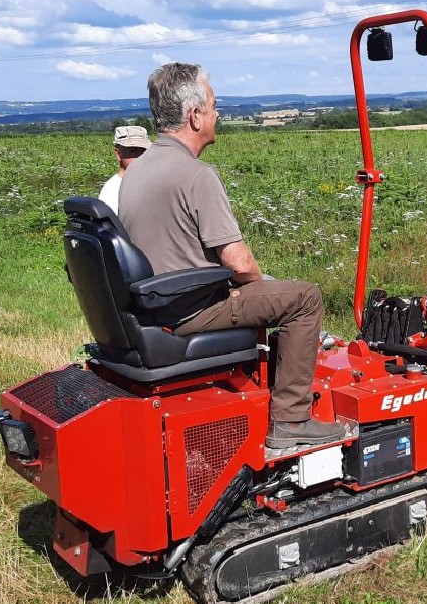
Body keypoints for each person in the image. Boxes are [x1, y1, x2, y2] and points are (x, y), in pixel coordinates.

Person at [118, 62, 344, 449]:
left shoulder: (138, 169)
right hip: (191, 308)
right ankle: (291, 420)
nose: (218, 114)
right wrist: (260, 285)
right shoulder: (196, 175)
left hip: (156, 304)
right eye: (213, 105)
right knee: (304, 298)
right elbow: (241, 265)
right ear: (194, 116)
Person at [98, 125, 151, 214]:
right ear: (118, 154)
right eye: (133, 151)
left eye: (143, 151)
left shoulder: (149, 182)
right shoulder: (112, 191)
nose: (140, 156)